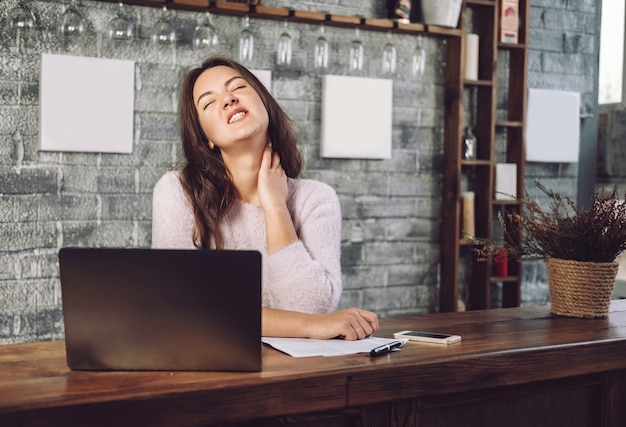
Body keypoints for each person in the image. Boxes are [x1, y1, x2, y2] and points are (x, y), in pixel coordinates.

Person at [152, 56, 378, 341]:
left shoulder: (316, 199)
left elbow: (311, 306)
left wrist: (275, 207)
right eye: (209, 103)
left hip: (298, 371)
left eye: (238, 87)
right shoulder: (178, 191)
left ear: (264, 103)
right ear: (205, 137)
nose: (229, 99)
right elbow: (182, 307)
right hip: (209, 366)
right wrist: (308, 327)